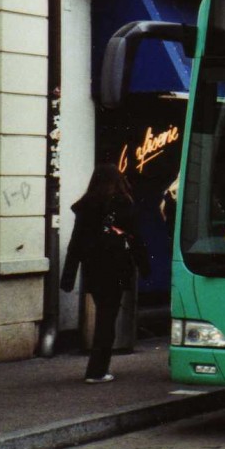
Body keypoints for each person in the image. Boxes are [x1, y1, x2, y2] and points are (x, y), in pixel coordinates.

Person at [60, 163, 150, 383]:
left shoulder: (86, 207)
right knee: (107, 320)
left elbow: (75, 244)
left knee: (104, 316)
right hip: (116, 269)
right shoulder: (123, 204)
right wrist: (145, 267)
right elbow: (136, 239)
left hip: (93, 270)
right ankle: (97, 370)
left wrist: (68, 277)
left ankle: (97, 368)